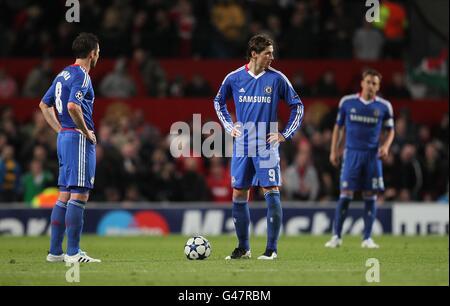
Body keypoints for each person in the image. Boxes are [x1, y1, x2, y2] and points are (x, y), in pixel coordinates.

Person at [214, 34, 304, 260]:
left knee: (271, 191)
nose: (272, 57)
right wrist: (229, 125)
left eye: (272, 53)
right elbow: (218, 101)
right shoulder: (234, 78)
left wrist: (285, 134)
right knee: (238, 192)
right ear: (254, 54)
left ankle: (271, 250)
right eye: (268, 53)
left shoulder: (277, 79)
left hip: (266, 144)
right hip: (243, 144)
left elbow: (298, 106)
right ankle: (243, 248)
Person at [40, 33, 101, 263]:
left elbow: (44, 105)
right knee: (80, 194)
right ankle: (73, 253)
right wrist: (86, 132)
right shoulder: (82, 76)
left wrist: (60, 130)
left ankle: (55, 252)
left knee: (64, 194)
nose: (98, 56)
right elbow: (73, 105)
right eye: (98, 52)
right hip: (77, 139)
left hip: (64, 137)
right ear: (93, 53)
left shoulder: (62, 74)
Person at [325, 69, 395, 249]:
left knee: (370, 195)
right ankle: (336, 237)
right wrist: (334, 151)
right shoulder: (347, 103)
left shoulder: (384, 107)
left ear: (378, 87)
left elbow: (391, 130)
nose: (371, 86)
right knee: (346, 194)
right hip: (351, 154)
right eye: (368, 82)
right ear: (362, 83)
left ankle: (367, 238)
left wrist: (386, 147)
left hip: (372, 156)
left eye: (374, 83)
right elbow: (338, 128)